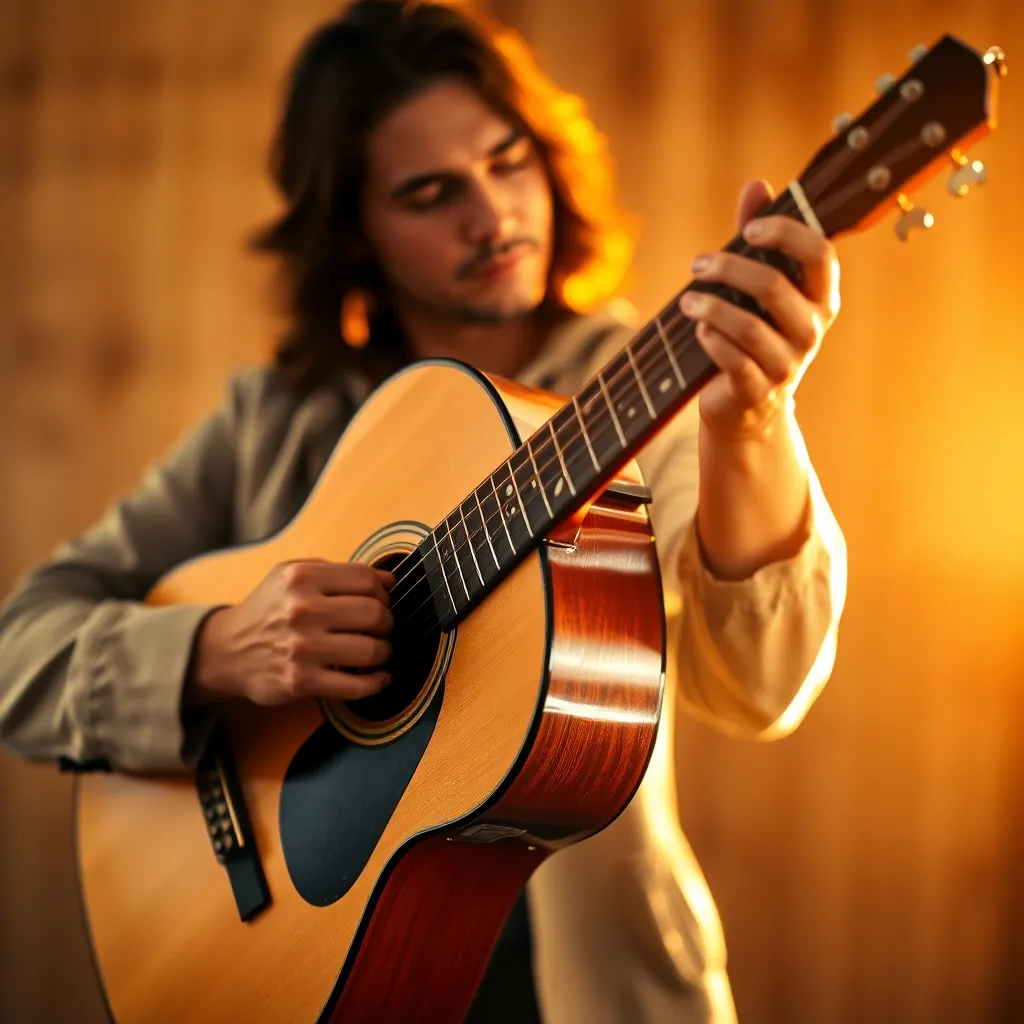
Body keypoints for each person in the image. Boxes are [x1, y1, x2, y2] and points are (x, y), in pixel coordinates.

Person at [0, 1, 847, 1021]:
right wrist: (224, 650)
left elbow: (759, 688)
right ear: (353, 233)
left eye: (508, 160)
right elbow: (18, 658)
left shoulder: (646, 402)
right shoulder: (275, 420)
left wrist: (751, 426)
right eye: (430, 192)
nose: (492, 215)